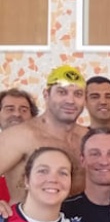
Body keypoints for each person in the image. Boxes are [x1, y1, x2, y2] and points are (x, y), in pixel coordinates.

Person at [0, 65, 89, 203]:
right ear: (46, 95)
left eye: (78, 94)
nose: (70, 100)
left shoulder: (87, 138)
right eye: (62, 92)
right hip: (26, 216)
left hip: (78, 216)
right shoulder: (19, 136)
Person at [0, 88, 38, 202]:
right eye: (10, 109)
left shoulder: (41, 148)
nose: (17, 114)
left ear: (32, 116)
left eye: (24, 110)